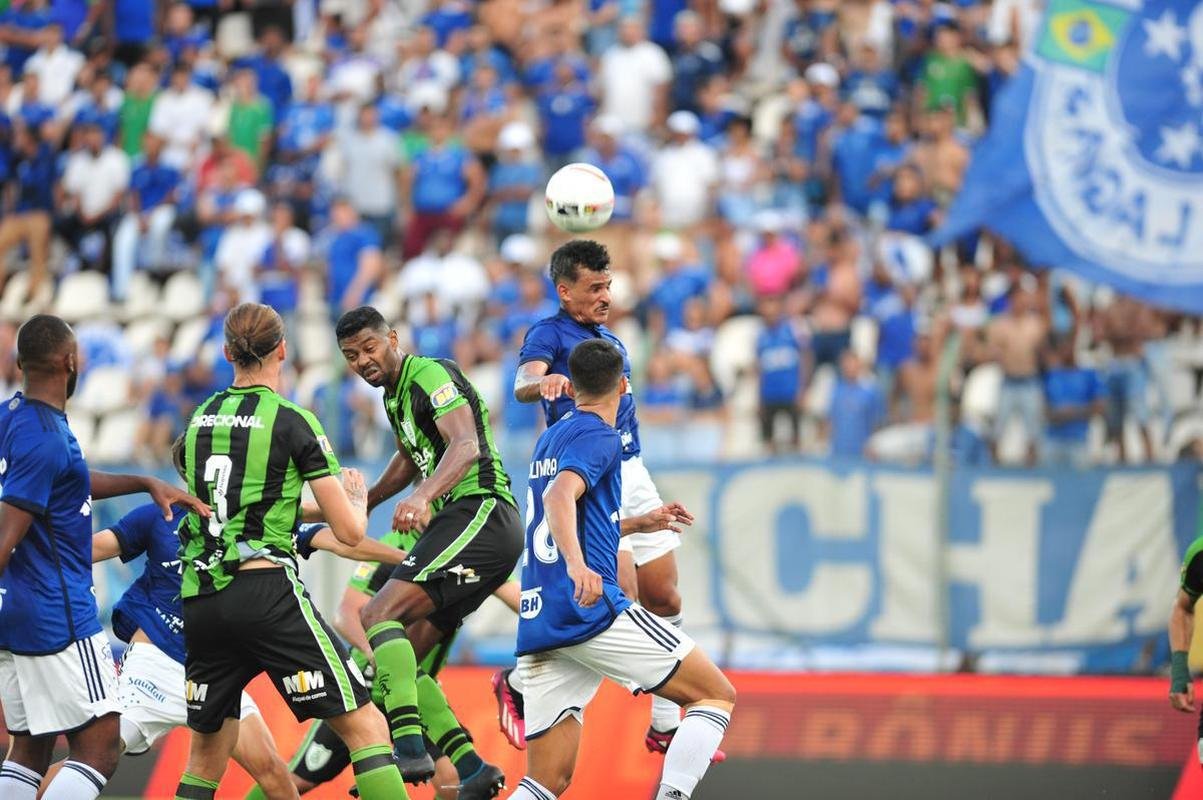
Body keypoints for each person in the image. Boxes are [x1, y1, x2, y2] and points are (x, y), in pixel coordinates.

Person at [173, 303, 409, 800]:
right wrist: (356, 501)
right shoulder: (291, 419)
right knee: (367, 727)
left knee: (205, 758)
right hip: (266, 595)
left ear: (225, 353)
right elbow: (349, 532)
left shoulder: (197, 421)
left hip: (203, 597)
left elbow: (238, 504)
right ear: (283, 349)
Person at [506, 339, 735, 800]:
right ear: (624, 385)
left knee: (546, 782)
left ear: (571, 387)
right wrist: (578, 566)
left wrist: (637, 523)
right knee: (714, 695)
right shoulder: (602, 437)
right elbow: (558, 498)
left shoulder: (552, 436)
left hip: (542, 618)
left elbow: (567, 514)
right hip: (589, 609)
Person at [504, 239, 704, 758]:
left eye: (608, 285)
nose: (605, 296)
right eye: (594, 288)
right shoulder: (549, 333)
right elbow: (523, 382)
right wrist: (543, 382)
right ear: (564, 290)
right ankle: (521, 685)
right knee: (623, 602)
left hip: (630, 467)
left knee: (667, 598)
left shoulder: (609, 337)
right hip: (586, 471)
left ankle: (662, 725)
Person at [0, 313, 206, 800]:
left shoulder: (16, 417)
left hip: (16, 611)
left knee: (29, 747)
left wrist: (144, 481)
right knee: (99, 748)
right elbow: (6, 534)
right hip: (58, 614)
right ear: (70, 362)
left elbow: (65, 476)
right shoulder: (46, 441)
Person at [335, 304, 521, 798]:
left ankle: (407, 744)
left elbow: (465, 446)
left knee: (377, 613)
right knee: (401, 667)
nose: (363, 361)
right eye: (352, 356)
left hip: (481, 511)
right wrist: (368, 500)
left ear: (393, 338)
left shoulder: (429, 373)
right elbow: (407, 455)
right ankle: (473, 769)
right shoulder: (395, 398)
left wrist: (420, 496)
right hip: (471, 526)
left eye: (370, 348)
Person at [275, 526, 522, 800]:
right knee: (296, 781)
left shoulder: (468, 550)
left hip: (419, 695)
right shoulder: (394, 544)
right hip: (371, 687)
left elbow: (521, 601)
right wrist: (381, 656)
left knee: (453, 778)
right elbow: (345, 614)